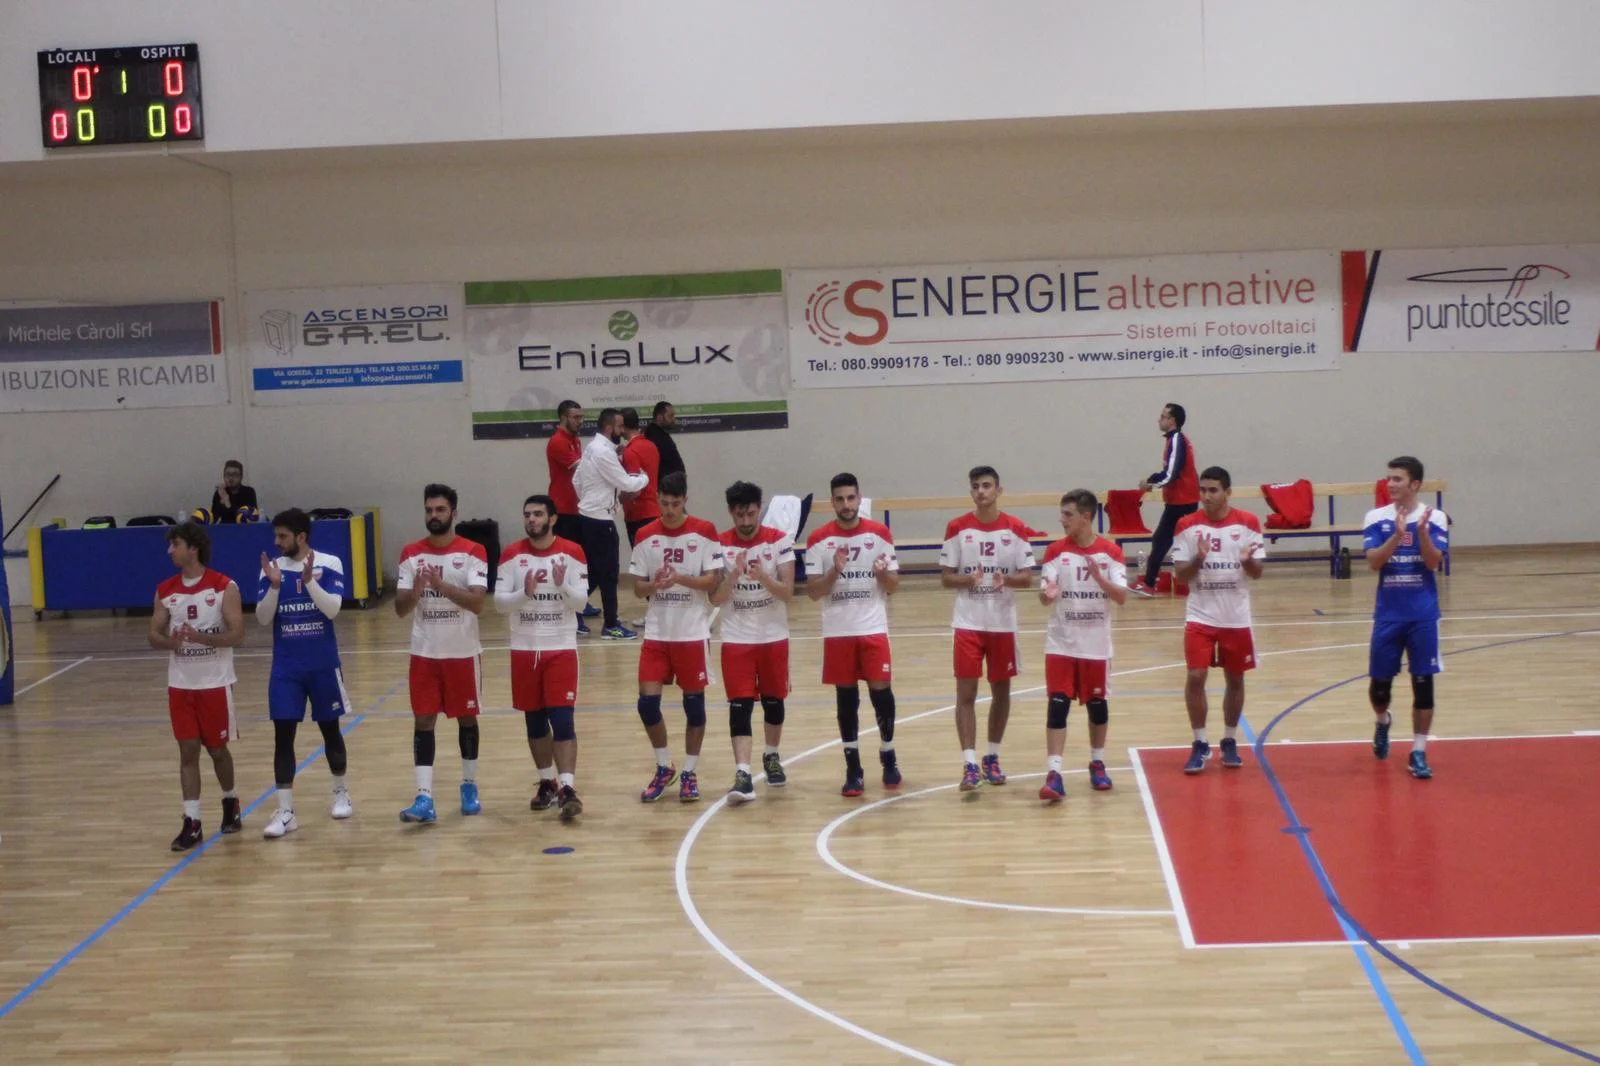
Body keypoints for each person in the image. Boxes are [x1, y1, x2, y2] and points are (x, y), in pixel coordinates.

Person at [394, 483, 490, 823]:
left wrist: (441, 586)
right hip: (425, 653)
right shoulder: (411, 553)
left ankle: (469, 786)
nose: (433, 515)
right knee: (423, 720)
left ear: (454, 513)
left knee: (467, 719)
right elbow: (400, 609)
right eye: (429, 510)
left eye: (440, 510)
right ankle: (424, 797)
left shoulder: (473, 551)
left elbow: (477, 603)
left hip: (462, 653)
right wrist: (416, 591)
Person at [255, 508, 353, 839]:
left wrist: (309, 582)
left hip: (323, 664)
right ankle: (286, 812)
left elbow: (332, 609)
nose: (276, 541)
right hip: (286, 668)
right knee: (283, 736)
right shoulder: (273, 568)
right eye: (275, 535)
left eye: (282, 536)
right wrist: (273, 586)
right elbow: (263, 619)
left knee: (330, 730)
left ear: (301, 537)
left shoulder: (329, 563)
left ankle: (341, 792)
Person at [939, 466, 1037, 792]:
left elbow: (1027, 578)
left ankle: (991, 757)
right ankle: (969, 764)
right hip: (968, 623)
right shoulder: (957, 527)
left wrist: (1005, 579)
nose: (981, 491)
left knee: (1001, 693)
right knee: (965, 693)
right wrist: (967, 580)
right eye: (976, 486)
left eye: (987, 485)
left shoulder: (1015, 527)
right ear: (971, 492)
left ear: (998, 490)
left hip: (1002, 624)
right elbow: (946, 578)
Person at [628, 472, 724, 802]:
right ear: (657, 500)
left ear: (685, 500)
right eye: (664, 503)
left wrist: (680, 578)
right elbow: (637, 587)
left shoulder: (704, 531)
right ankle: (663, 766)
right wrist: (654, 585)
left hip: (691, 632)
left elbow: (712, 581)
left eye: (675, 503)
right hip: (657, 633)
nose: (669, 510)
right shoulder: (645, 535)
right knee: (647, 705)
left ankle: (689, 772)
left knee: (694, 708)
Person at [148, 522, 245, 850]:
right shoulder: (166, 590)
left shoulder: (223, 586)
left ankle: (230, 800)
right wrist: (170, 642)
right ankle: (192, 821)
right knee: (187, 751)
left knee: (217, 750)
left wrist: (201, 637)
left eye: (175, 544)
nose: (169, 551)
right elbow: (153, 635)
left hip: (215, 683)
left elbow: (237, 635)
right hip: (181, 685)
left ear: (193, 548)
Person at [495, 495, 591, 820]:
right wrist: (525, 592)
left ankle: (568, 788)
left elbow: (580, 604)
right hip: (524, 649)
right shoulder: (512, 554)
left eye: (538, 514)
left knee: (562, 720)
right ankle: (547, 782)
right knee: (534, 722)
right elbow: (499, 604)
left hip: (560, 647)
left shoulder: (572, 552)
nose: (531, 519)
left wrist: (562, 586)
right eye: (527, 514)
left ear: (552, 518)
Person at [806, 473, 901, 797]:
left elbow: (894, 586)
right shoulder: (819, 540)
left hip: (872, 628)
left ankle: (888, 754)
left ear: (859, 499)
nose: (846, 504)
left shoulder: (879, 534)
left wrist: (882, 574)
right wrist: (834, 570)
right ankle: (853, 767)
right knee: (846, 699)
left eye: (851, 498)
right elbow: (813, 593)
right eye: (840, 499)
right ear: (832, 502)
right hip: (838, 632)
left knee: (881, 694)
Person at [1171, 467, 1265, 773]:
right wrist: (1198, 558)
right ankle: (1200, 743)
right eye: (1203, 490)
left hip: (1235, 617)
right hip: (1200, 614)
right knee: (1196, 675)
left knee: (1235, 679)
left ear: (1228, 492)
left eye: (1213, 490)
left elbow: (1257, 573)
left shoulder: (1248, 523)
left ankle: (1229, 739)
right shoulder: (1187, 525)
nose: (1206, 496)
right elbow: (1180, 576)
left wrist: (1247, 561)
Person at [1037, 490, 1129, 799]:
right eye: (1062, 514)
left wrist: (1099, 579)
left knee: (1097, 706)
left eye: (1068, 514)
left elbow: (1121, 596)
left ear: (1086, 517)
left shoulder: (1110, 552)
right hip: (1061, 643)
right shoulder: (1054, 551)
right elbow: (1044, 594)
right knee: (1057, 705)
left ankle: (1097, 763)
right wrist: (1047, 594)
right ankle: (1054, 773)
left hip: (1096, 645)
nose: (1062, 520)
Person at [1364, 456, 1449, 780]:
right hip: (1388, 615)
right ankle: (1383, 721)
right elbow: (1374, 562)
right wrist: (1396, 537)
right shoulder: (1376, 517)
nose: (1390, 484)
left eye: (1397, 479)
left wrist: (1422, 533)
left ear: (1415, 484)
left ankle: (1418, 751)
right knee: (1379, 689)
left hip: (1422, 616)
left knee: (1423, 684)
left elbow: (1432, 562)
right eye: (1389, 478)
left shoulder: (1434, 517)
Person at [710, 480, 795, 803]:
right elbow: (715, 599)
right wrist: (733, 576)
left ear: (759, 509)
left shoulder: (779, 541)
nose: (745, 521)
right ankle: (743, 773)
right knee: (740, 706)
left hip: (773, 636)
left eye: (750, 514)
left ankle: (771, 755)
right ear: (731, 512)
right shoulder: (719, 545)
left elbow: (788, 593)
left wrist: (763, 577)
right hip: (736, 638)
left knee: (774, 702)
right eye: (739, 515)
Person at [574, 407, 647, 640]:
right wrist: (644, 476)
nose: (622, 430)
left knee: (595, 572)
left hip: (589, 516)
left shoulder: (593, 448)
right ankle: (611, 625)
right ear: (609, 428)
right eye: (619, 426)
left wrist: (590, 500)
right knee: (608, 574)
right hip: (599, 520)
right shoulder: (603, 453)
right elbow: (627, 483)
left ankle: (572, 614)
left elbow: (576, 480)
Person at [1130, 403, 1198, 597]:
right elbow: (1169, 472)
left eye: (1162, 416)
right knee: (1162, 540)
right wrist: (1152, 480)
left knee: (1172, 542)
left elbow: (1171, 474)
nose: (1159, 420)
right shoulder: (1173, 440)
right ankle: (1150, 583)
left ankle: (1152, 584)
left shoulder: (1177, 440)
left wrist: (1150, 483)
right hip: (1177, 501)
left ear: (1172, 420)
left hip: (1183, 501)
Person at [547, 400, 600, 633]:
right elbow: (583, 469)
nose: (580, 421)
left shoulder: (575, 440)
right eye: (575, 417)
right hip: (564, 511)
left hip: (578, 508)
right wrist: (608, 460)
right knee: (570, 564)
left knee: (586, 561)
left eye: (581, 416)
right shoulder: (558, 442)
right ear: (563, 418)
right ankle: (572, 614)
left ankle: (580, 602)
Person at [620, 408, 661, 547]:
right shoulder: (651, 445)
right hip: (654, 510)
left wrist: (615, 500)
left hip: (638, 514)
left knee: (641, 557)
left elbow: (635, 490)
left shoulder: (631, 451)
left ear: (623, 426)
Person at [643, 400, 685, 482]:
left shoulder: (661, 433)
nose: (673, 420)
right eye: (670, 416)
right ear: (659, 417)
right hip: (665, 486)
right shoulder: (652, 436)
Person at [211, 460, 259, 524]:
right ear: (224, 476)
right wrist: (221, 501)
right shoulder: (220, 493)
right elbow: (213, 520)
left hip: (244, 528)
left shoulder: (249, 492)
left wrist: (227, 503)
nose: (231, 478)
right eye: (228, 474)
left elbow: (249, 518)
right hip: (224, 528)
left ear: (241, 477)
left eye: (235, 474)